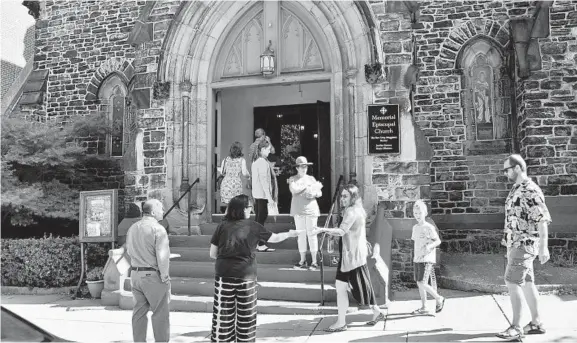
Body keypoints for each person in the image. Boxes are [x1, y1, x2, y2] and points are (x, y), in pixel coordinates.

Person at [209, 195, 299, 342]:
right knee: (246, 317)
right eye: (250, 207)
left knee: (223, 316)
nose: (251, 210)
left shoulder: (222, 226)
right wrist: (290, 234)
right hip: (246, 276)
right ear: (244, 209)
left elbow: (212, 254)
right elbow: (274, 238)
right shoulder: (253, 226)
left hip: (224, 274)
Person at [311, 184, 385, 332]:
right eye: (341, 196)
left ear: (353, 197)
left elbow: (342, 230)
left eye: (345, 196)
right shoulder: (357, 210)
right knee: (345, 287)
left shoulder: (351, 212)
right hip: (352, 256)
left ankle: (345, 321)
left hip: (352, 257)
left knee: (359, 288)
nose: (342, 199)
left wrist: (322, 230)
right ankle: (347, 320)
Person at [496, 154, 551, 340]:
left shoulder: (530, 190)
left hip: (524, 243)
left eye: (507, 169)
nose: (505, 173)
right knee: (527, 283)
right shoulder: (515, 188)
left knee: (512, 281)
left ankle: (516, 327)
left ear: (518, 168)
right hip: (514, 243)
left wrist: (544, 247)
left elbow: (542, 219)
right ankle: (536, 323)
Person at [124, 199, 171, 342]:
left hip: (136, 274)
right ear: (153, 212)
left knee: (138, 313)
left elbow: (129, 251)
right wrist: (165, 276)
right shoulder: (158, 229)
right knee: (160, 313)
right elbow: (162, 256)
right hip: (152, 275)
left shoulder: (133, 228)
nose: (163, 211)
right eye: (161, 208)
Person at [410, 199, 445, 315]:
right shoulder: (415, 228)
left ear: (425, 213)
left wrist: (429, 246)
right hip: (417, 259)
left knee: (422, 282)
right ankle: (424, 307)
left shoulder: (429, 227)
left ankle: (439, 298)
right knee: (419, 283)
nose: (418, 215)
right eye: (415, 213)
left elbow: (438, 241)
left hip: (427, 259)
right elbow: (416, 243)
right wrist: (415, 256)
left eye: (420, 213)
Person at [289, 156, 322, 270]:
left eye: (306, 166)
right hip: (298, 210)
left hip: (311, 209)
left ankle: (314, 261)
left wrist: (313, 193)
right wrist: (306, 185)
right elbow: (294, 190)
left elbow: (319, 193)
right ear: (297, 167)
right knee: (301, 235)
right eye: (302, 166)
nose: (304, 169)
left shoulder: (311, 178)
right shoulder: (292, 179)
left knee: (312, 234)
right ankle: (302, 260)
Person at [251, 140, 277, 252]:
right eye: (267, 149)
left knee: (258, 219)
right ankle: (260, 243)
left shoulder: (255, 162)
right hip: (262, 195)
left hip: (257, 194)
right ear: (262, 150)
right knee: (260, 220)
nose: (269, 152)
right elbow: (264, 181)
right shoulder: (262, 162)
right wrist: (270, 197)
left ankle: (256, 242)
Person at [219, 141, 250, 214]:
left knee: (229, 206)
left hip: (226, 184)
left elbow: (222, 172)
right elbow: (244, 173)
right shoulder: (242, 160)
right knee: (235, 206)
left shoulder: (225, 159)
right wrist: (249, 176)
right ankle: (232, 221)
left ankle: (226, 221)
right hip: (236, 185)